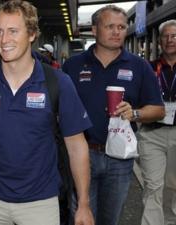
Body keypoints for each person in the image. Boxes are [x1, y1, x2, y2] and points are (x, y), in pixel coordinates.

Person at [0, 1, 94, 225]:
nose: (4, 40)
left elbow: (77, 147)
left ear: (31, 34)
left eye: (13, 31)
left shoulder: (57, 83)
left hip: (41, 202)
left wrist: (84, 204)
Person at [62, 5, 165, 225]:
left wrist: (135, 113)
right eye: (110, 26)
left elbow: (158, 110)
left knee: (110, 219)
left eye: (121, 27)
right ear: (94, 29)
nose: (117, 32)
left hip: (120, 158)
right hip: (82, 155)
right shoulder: (72, 66)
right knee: (80, 218)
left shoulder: (140, 66)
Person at [138, 19, 176, 225]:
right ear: (160, 40)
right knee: (153, 186)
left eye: (175, 36)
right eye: (166, 36)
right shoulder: (147, 68)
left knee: (173, 187)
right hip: (152, 133)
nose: (170, 40)